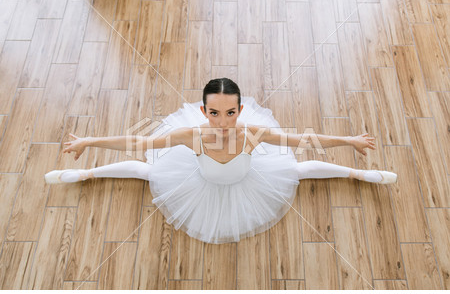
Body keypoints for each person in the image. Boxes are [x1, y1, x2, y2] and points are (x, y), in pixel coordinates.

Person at [45, 78, 397, 244]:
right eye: (215, 113)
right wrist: (90, 141)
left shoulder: (252, 132)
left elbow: (304, 140)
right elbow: (139, 142)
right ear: (204, 111)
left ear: (239, 110)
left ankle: (362, 175)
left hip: (249, 180)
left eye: (230, 113)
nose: (223, 121)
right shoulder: (193, 135)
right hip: (200, 182)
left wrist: (348, 140)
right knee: (144, 170)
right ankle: (83, 173)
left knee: (299, 170)